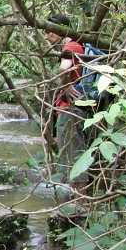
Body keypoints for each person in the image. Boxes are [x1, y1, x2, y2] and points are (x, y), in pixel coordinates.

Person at [44, 13, 88, 189]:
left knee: (73, 152)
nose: (47, 36)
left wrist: (64, 86)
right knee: (73, 151)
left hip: (70, 109)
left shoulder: (71, 46)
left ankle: (78, 200)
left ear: (61, 29)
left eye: (50, 31)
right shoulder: (76, 45)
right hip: (72, 108)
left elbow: (63, 69)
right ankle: (77, 198)